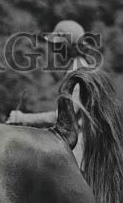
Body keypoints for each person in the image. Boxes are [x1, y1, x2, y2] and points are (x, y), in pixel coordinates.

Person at [6, 19, 95, 165]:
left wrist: (22, 118)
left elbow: (62, 117)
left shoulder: (78, 74)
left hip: (81, 153)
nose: (53, 49)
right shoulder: (77, 67)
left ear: (66, 46)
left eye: (57, 45)